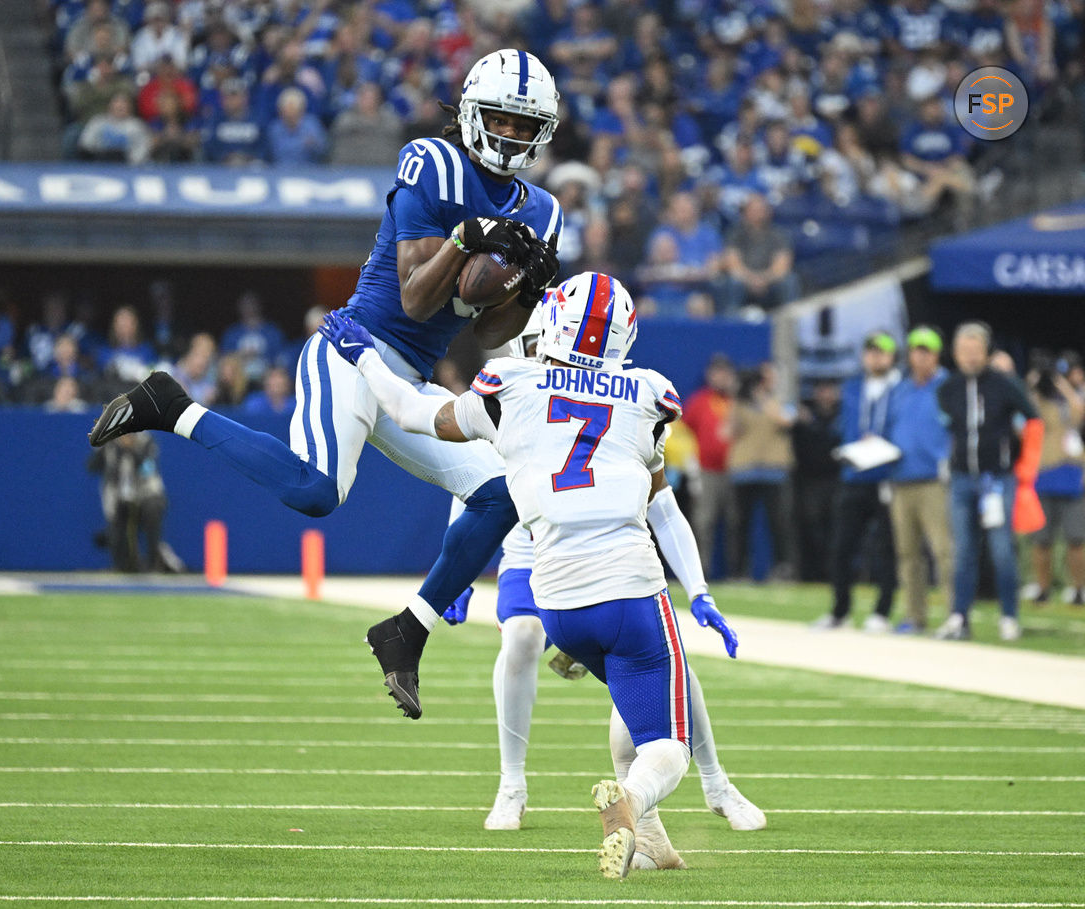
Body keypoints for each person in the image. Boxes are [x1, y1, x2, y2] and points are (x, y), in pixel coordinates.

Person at [89, 50, 562, 716]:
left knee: (499, 493)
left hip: (410, 379)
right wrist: (464, 239)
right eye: (502, 120)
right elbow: (417, 296)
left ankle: (407, 630)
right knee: (317, 490)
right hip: (353, 347)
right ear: (473, 115)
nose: (512, 136)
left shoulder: (542, 209)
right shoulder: (434, 161)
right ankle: (172, 406)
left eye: (524, 124)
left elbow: (486, 332)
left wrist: (528, 289)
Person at [319, 272, 753, 879]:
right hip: (630, 591)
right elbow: (662, 502)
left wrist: (364, 355)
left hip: (556, 602)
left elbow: (412, 412)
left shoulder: (512, 383)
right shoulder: (646, 395)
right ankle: (633, 800)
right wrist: (699, 591)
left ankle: (649, 839)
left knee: (632, 709)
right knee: (668, 743)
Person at [449, 312, 764, 841]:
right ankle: (512, 784)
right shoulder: (511, 393)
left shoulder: (613, 398)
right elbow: (468, 486)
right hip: (532, 547)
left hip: (604, 556)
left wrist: (700, 588)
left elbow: (661, 502)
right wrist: (453, 569)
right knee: (526, 635)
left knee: (665, 666)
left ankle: (714, 784)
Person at [934, 322, 1041, 641]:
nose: (969, 356)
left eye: (975, 350)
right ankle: (959, 616)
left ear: (985, 352)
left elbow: (1032, 418)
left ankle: (1009, 616)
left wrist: (1024, 463)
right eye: (964, 350)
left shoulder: (1003, 384)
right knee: (964, 551)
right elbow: (945, 427)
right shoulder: (948, 388)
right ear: (955, 353)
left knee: (1001, 550)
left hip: (997, 479)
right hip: (962, 478)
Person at [813, 332, 900, 631]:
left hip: (886, 476)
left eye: (882, 352)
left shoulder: (900, 388)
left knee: (886, 548)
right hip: (854, 474)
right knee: (842, 546)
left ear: (892, 357)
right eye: (871, 351)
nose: (876, 357)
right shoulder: (853, 387)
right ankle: (840, 611)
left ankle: (882, 613)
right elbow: (846, 425)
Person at [885, 326, 952, 634]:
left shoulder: (947, 386)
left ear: (936, 355)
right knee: (907, 554)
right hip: (901, 479)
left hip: (934, 481)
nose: (920, 356)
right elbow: (892, 428)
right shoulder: (900, 388)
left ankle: (954, 615)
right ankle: (915, 616)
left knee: (942, 550)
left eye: (926, 351)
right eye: (915, 350)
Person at [1023, 350, 1085, 606]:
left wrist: (1065, 387)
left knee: (1076, 537)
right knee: (1042, 539)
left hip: (1073, 474)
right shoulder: (1041, 401)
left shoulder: (1074, 400)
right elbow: (1026, 410)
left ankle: (1079, 589)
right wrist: (1034, 383)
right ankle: (1042, 588)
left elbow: (1079, 413)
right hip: (1045, 473)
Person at [726, 363, 796, 580]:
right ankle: (738, 572)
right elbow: (727, 431)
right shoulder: (740, 402)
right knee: (740, 523)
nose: (766, 381)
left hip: (774, 470)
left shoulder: (780, 401)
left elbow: (785, 421)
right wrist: (737, 399)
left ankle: (782, 569)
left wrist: (761, 398)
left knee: (779, 523)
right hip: (744, 469)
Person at [681, 353, 738, 576]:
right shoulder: (698, 401)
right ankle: (699, 572)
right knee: (703, 522)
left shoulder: (737, 401)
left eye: (725, 372)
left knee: (736, 523)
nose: (721, 377)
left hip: (736, 471)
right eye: (717, 372)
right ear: (709, 375)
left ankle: (736, 573)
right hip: (706, 471)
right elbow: (682, 433)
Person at [88, 432, 171, 573]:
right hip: (121, 496)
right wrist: (99, 445)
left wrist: (132, 450)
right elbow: (92, 466)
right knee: (117, 519)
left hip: (146, 494)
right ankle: (121, 565)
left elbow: (148, 469)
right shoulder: (110, 443)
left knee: (153, 509)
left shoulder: (146, 441)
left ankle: (152, 563)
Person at [791, 378, 842, 581]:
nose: (826, 395)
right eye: (822, 390)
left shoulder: (842, 415)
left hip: (835, 479)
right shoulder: (804, 416)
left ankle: (833, 573)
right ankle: (812, 574)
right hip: (809, 481)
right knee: (812, 528)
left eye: (830, 390)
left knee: (835, 529)